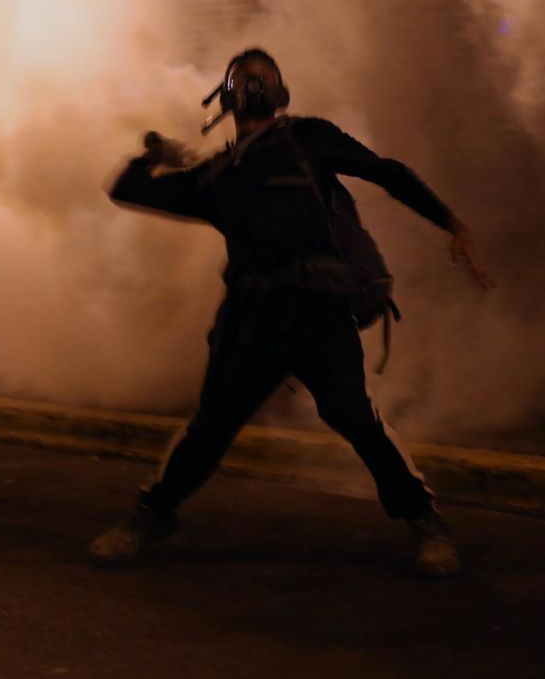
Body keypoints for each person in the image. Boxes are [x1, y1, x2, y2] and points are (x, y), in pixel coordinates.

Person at [89, 49, 494, 578]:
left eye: (264, 75)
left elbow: (385, 172)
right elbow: (126, 189)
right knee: (211, 426)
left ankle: (427, 522)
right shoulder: (215, 175)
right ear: (228, 95)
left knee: (356, 418)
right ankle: (149, 515)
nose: (253, 80)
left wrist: (450, 221)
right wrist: (155, 154)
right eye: (243, 75)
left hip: (317, 310)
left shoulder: (308, 139)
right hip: (250, 319)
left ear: (279, 93)